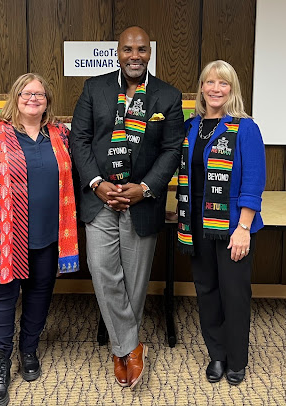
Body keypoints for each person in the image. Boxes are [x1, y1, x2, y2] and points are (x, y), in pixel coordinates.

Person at [70, 26, 185, 389]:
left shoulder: (167, 95)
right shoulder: (94, 87)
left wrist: (146, 188)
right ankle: (131, 346)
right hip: (99, 198)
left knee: (134, 280)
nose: (134, 56)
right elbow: (80, 139)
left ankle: (123, 350)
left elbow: (171, 150)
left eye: (140, 50)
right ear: (117, 53)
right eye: (127, 50)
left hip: (142, 201)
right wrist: (97, 183)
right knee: (103, 270)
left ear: (149, 53)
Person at [0, 73, 79, 406]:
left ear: (48, 101)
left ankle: (28, 350)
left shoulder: (61, 136)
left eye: (40, 94)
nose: (33, 98)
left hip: (47, 236)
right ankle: (0, 364)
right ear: (15, 97)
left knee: (39, 295)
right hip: (2, 239)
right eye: (27, 93)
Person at [177, 60, 265, 385]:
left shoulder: (244, 127)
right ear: (201, 88)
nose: (216, 89)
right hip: (196, 224)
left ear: (232, 89)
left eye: (223, 83)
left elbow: (254, 181)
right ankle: (217, 353)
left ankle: (237, 359)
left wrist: (243, 228)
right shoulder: (190, 126)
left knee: (234, 292)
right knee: (207, 290)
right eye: (210, 82)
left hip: (232, 227)